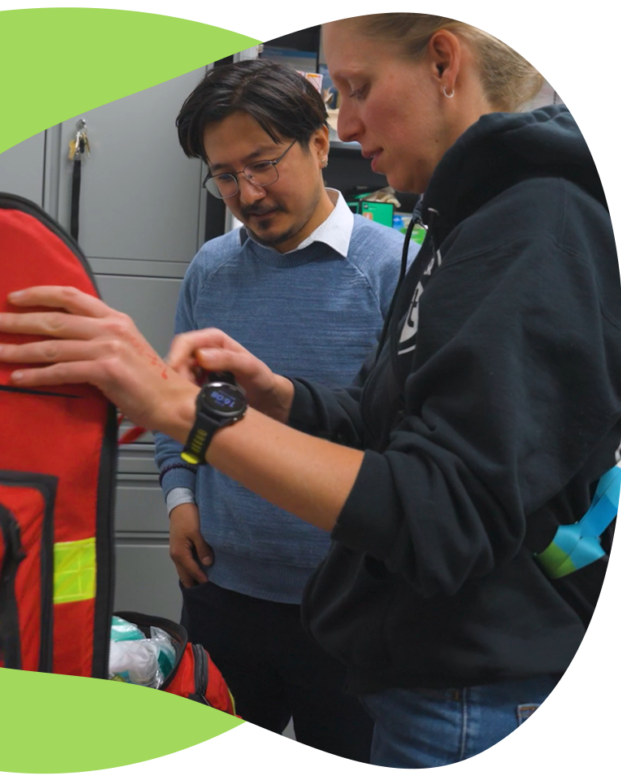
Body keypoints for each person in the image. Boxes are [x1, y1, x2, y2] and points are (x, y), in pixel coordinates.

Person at [0, 14, 621, 769]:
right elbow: (392, 422)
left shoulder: (527, 225)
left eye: (357, 87)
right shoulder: (465, 225)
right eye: (225, 176)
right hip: (305, 614)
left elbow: (442, 505)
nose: (347, 121)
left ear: (444, 63)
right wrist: (277, 396)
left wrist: (186, 411)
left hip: (454, 677)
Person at [152, 59, 417, 759]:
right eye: (225, 175)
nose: (248, 193)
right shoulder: (211, 269)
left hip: (352, 606)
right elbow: (185, 408)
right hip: (221, 592)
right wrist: (181, 498)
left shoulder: (394, 269)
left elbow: (412, 439)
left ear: (320, 145)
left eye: (264, 164)